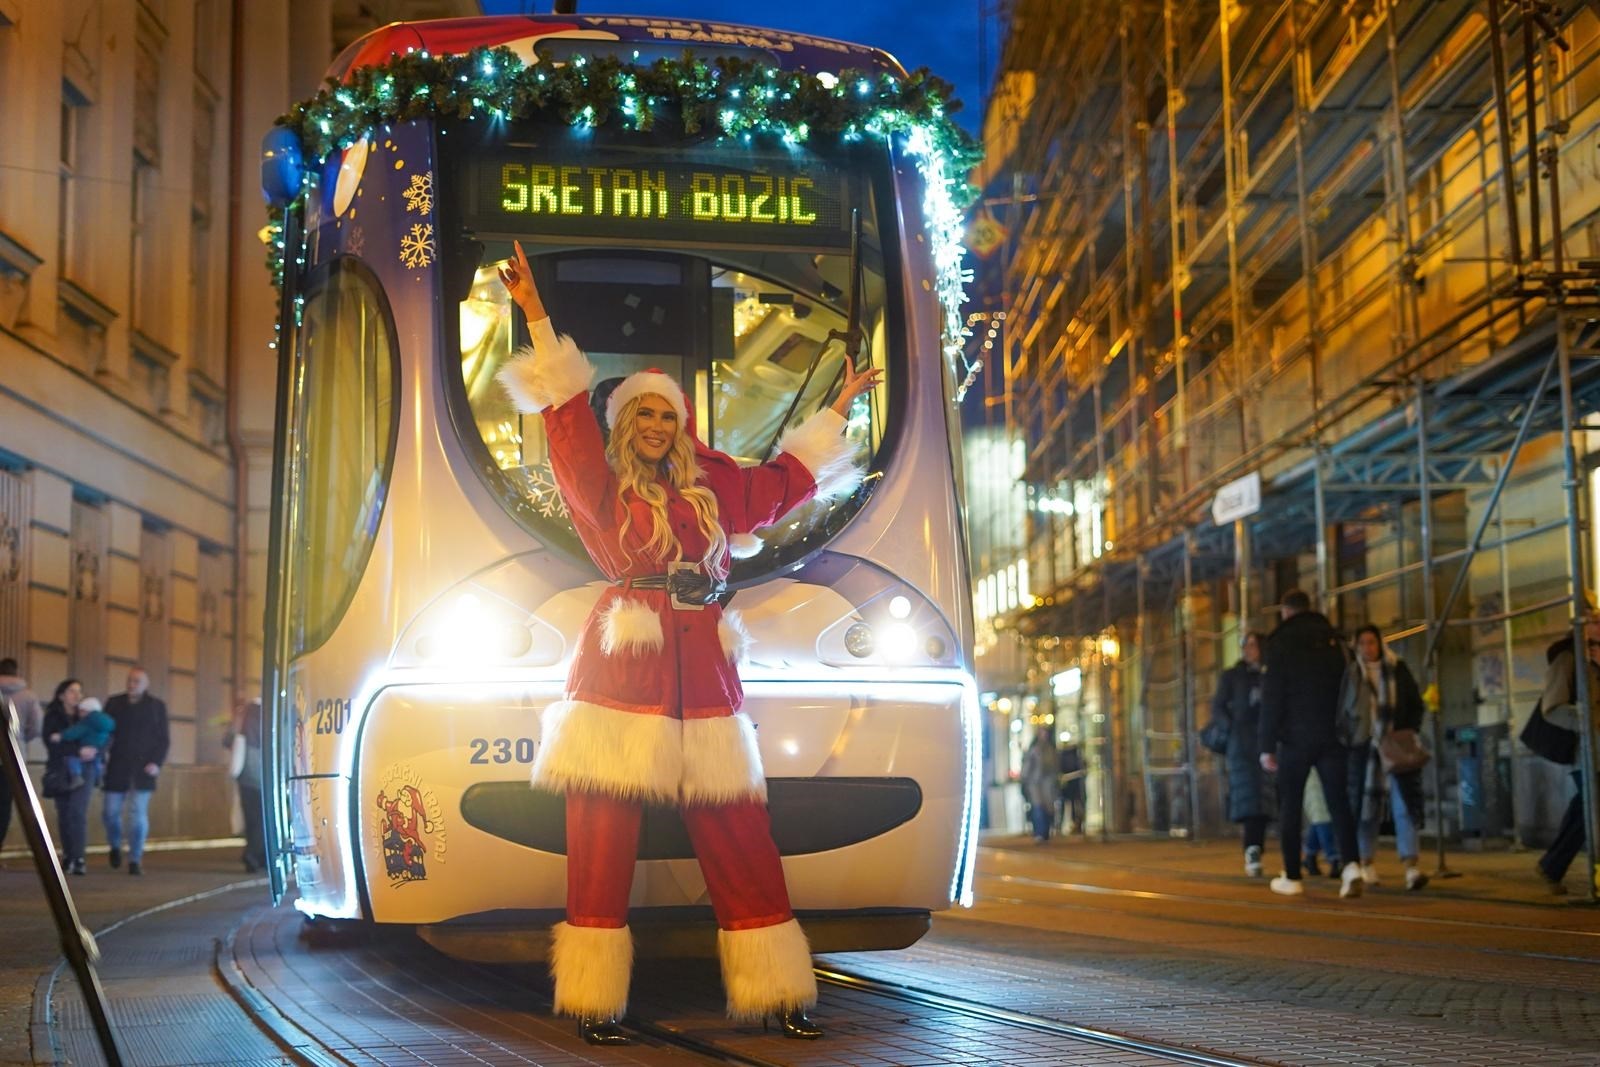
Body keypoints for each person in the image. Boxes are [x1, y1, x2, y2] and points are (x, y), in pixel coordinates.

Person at [495, 241, 873, 1044]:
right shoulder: (597, 485)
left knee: (738, 829)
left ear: (684, 423)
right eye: (646, 413)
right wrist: (533, 311)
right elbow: (563, 418)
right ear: (628, 422)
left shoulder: (714, 486)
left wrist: (838, 410)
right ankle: (596, 1000)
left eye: (670, 413)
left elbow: (784, 485)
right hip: (619, 667)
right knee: (600, 834)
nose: (660, 425)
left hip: (703, 668)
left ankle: (778, 990)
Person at [1259, 589, 1363, 898]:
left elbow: (1271, 697)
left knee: (1290, 805)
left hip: (1294, 738)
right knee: (1338, 802)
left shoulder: (1280, 642)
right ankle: (1352, 865)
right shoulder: (1334, 640)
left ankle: (1292, 875)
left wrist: (1266, 745)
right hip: (1333, 734)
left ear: (1285, 612)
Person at [1339, 625, 1429, 891]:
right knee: (1366, 809)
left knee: (1405, 807)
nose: (1368, 648)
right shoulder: (1352, 674)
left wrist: (1407, 730)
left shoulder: (1397, 668)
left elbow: (1415, 704)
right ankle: (1366, 862)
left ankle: (1411, 866)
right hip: (1364, 752)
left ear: (1380, 644)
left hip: (1396, 747)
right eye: (1362, 643)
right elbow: (1343, 712)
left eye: (1372, 642)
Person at [1533, 616, 1600, 895]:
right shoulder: (1568, 660)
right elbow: (1553, 707)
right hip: (1587, 751)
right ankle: (1555, 866)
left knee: (1585, 811)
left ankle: (1551, 866)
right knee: (1590, 809)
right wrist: (1586, 721)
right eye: (1594, 620)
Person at [1211, 632, 1271, 876]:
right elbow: (1218, 706)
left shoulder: (1270, 674)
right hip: (1242, 746)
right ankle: (1252, 849)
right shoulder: (1233, 676)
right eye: (1245, 645)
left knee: (1266, 798)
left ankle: (1257, 847)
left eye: (1254, 644)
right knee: (1248, 797)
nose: (1249, 649)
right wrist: (1230, 728)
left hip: (1266, 742)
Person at [101, 666, 169, 875]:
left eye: (137, 681)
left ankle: (135, 859)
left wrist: (156, 763)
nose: (132, 685)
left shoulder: (156, 707)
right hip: (117, 766)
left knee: (137, 814)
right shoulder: (114, 704)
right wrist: (102, 755)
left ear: (146, 684)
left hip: (143, 768)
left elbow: (163, 739)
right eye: (130, 680)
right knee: (110, 813)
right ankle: (114, 845)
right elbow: (104, 731)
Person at [41, 680, 97, 875]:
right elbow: (51, 743)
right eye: (72, 691)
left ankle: (79, 858)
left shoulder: (89, 715)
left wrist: (96, 749)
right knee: (64, 813)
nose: (77, 695)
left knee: (77, 812)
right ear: (61, 695)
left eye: (79, 691)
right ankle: (68, 856)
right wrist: (79, 750)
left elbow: (106, 735)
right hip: (60, 769)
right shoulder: (53, 716)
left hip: (85, 770)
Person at [0, 657, 43, 859]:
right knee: (4, 805)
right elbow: (36, 727)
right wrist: (21, 737)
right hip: (13, 759)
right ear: (16, 672)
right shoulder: (28, 696)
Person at [224, 698, 266, 873]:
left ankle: (252, 855)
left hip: (247, 773)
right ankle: (259, 855)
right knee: (264, 818)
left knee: (251, 818)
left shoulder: (245, 713)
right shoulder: (278, 711)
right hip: (267, 774)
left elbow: (227, 740)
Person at [49, 697, 114, 792]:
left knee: (72, 758)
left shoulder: (88, 721)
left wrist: (61, 735)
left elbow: (75, 732)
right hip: (98, 747)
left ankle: (76, 776)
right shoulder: (106, 721)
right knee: (97, 761)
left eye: (81, 711)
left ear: (86, 711)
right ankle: (99, 777)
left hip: (86, 745)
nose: (79, 714)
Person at [1021, 729, 1059, 842]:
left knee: (1048, 808)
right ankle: (1039, 832)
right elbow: (1028, 766)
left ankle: (1045, 832)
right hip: (1035, 783)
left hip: (1048, 783)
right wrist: (1025, 779)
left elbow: (1055, 766)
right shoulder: (1034, 750)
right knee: (1038, 807)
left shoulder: (1051, 750)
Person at [1301, 768, 1340, 878]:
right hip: (1312, 767)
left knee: (1319, 814)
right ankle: (1334, 858)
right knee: (1320, 812)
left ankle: (1310, 855)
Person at [1056, 733, 1086, 835]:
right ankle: (1070, 824)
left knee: (1071, 803)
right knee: (1072, 803)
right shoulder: (1074, 755)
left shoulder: (1063, 755)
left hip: (1071, 782)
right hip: (1071, 782)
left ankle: (1070, 824)